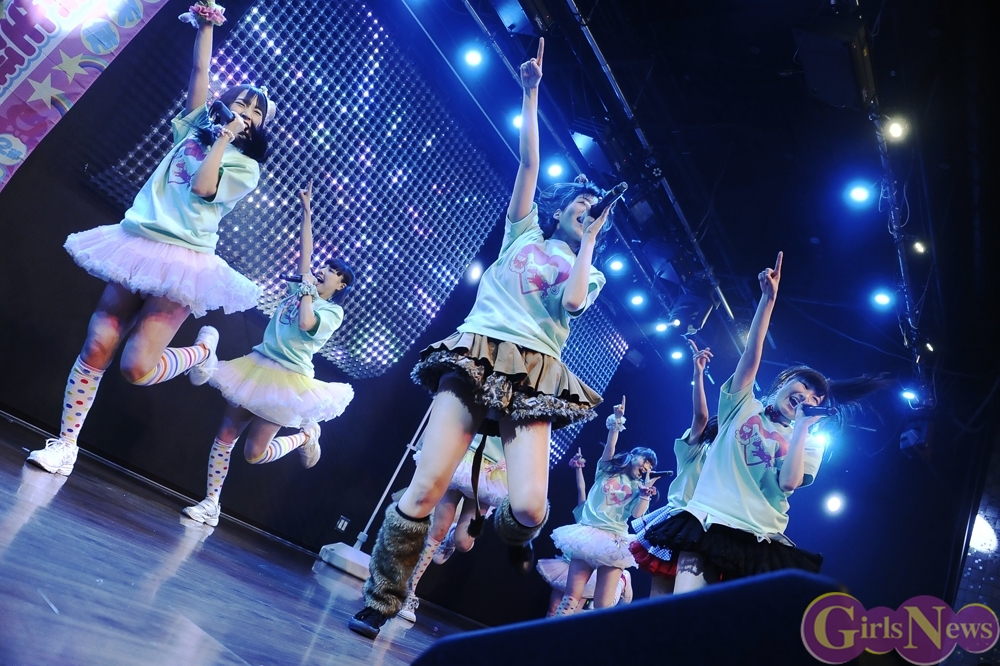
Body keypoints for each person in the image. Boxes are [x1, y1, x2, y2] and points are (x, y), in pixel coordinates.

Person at [349, 37, 615, 638]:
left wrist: (592, 243)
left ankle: (495, 530)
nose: (587, 209)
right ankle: (382, 600)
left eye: (594, 209)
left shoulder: (589, 269)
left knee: (529, 509)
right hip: (477, 352)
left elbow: (573, 302)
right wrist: (531, 93)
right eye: (580, 203)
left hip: (536, 372)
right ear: (559, 209)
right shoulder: (523, 235)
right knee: (425, 487)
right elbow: (528, 166)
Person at [27, 1, 274, 476]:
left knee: (136, 368)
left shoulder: (247, 167)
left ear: (261, 126)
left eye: (256, 111)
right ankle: (65, 444)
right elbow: (200, 70)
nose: (246, 111)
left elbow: (203, 187)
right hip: (139, 242)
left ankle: (201, 352)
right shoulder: (194, 125)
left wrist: (225, 138)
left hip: (184, 260)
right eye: (241, 102)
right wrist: (206, 24)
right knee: (98, 343)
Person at [644, 252, 891, 592]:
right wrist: (768, 299)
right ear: (784, 382)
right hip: (707, 519)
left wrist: (802, 427)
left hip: (758, 537)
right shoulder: (743, 405)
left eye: (817, 398)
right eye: (804, 387)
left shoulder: (810, 441)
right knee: (680, 606)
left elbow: (788, 483)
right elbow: (752, 352)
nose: (808, 397)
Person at [182, 182, 355, 526]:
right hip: (257, 364)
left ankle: (306, 435)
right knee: (225, 436)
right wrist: (307, 211)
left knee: (255, 453)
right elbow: (305, 254)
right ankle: (211, 503)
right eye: (327, 266)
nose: (325, 270)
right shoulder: (303, 285)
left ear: (341, 285)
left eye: (334, 272)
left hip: (288, 379)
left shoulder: (332, 311)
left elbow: (306, 323)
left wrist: (307, 291)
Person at [548, 399, 657, 614]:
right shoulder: (606, 469)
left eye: (651, 466)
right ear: (633, 455)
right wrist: (616, 421)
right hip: (588, 535)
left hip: (615, 541)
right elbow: (610, 447)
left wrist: (645, 495)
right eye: (646, 460)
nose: (647, 467)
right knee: (570, 598)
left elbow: (637, 515)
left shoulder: (639, 488)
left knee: (602, 606)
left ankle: (622, 582)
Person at [629, 339, 718, 596]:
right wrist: (698, 373)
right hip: (679, 521)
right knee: (660, 599)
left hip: (711, 528)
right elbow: (701, 416)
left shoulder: (732, 463)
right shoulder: (696, 449)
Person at [396, 435, 508, 623]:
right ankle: (409, 591)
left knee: (463, 542)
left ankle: (450, 538)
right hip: (464, 454)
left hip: (491, 472)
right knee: (439, 527)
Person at [536, 448, 633, 616]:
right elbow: (580, 489)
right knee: (555, 608)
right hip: (568, 564)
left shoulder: (600, 516)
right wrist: (578, 469)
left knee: (583, 607)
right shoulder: (582, 513)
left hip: (592, 566)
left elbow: (583, 490)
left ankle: (622, 579)